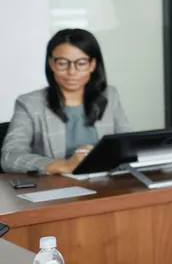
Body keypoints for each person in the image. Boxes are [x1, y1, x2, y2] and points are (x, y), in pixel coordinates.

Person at [2, 29, 130, 174]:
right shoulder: (30, 104)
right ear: (51, 64)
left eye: (81, 63)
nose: (72, 72)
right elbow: (9, 157)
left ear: (92, 65)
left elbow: (127, 146)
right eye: (62, 63)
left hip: (107, 184)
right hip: (57, 189)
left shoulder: (109, 95)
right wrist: (65, 165)